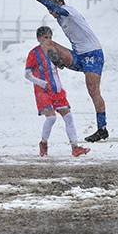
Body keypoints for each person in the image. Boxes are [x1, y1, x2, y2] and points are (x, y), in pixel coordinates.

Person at [31, 0, 108, 143]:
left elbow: (60, 9)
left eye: (52, 10)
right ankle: (58, 61)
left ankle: (102, 128)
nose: (51, 13)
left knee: (93, 90)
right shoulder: (59, 17)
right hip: (79, 55)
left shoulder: (68, 10)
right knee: (47, 42)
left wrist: (42, 0)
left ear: (58, 5)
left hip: (92, 54)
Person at [25, 26, 90, 157]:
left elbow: (61, 65)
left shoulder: (53, 51)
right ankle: (43, 143)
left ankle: (75, 147)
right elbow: (27, 74)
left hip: (57, 90)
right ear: (39, 38)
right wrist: (41, 83)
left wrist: (62, 61)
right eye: (45, 37)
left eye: (50, 37)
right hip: (42, 91)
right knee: (51, 118)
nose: (48, 40)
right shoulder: (34, 53)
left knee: (69, 117)